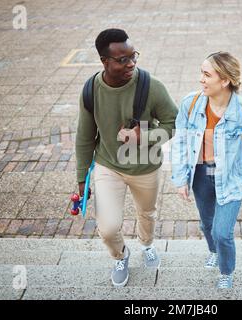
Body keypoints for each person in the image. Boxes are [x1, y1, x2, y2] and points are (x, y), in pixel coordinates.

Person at [75, 28, 178, 287]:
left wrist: (142, 135)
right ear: (104, 61)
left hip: (145, 167)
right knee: (108, 228)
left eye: (134, 56)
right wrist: (81, 179)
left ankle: (147, 244)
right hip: (108, 166)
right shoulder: (90, 91)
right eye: (122, 59)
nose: (131, 63)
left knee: (147, 213)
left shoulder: (151, 86)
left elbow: (174, 123)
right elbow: (85, 137)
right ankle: (121, 255)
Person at [171, 51, 242, 289]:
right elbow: (181, 143)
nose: (201, 79)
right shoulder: (190, 104)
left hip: (232, 178)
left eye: (206, 74)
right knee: (207, 225)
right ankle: (213, 251)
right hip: (201, 176)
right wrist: (181, 179)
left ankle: (226, 270)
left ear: (224, 80)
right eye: (201, 73)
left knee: (222, 232)